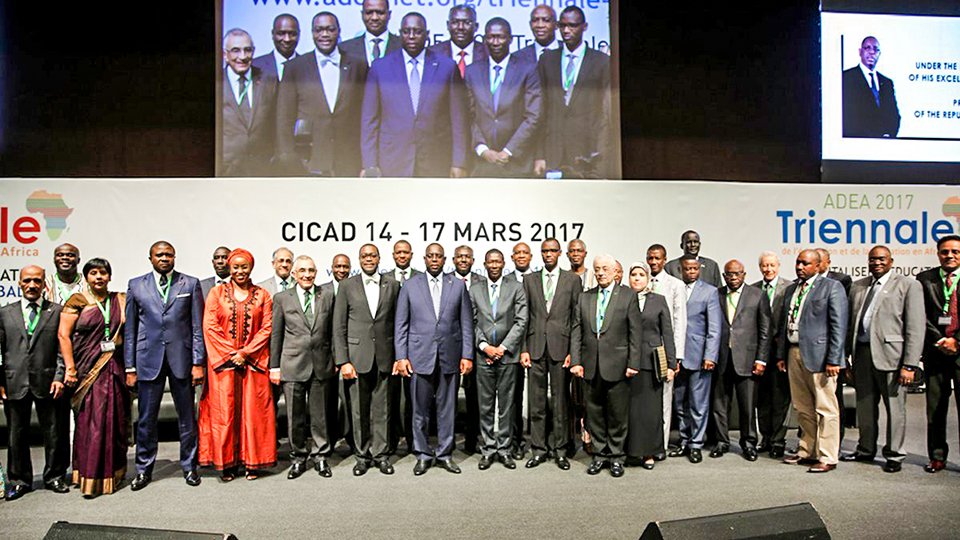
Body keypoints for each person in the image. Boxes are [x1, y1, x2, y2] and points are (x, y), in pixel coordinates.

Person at [124, 241, 206, 490]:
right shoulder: (136, 285)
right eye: (159, 255)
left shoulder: (189, 283)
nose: (164, 258)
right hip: (148, 360)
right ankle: (143, 469)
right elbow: (130, 330)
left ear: (174, 257)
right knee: (146, 419)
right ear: (150, 258)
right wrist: (130, 366)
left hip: (182, 360)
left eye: (169, 254)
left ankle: (189, 466)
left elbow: (197, 327)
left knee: (187, 418)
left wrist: (198, 362)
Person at [394, 243, 474, 475]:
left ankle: (445, 454)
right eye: (431, 256)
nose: (435, 260)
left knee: (447, 410)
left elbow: (466, 324)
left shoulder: (457, 285)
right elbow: (401, 324)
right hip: (419, 357)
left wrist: (467, 355)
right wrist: (401, 357)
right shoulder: (410, 286)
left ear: (445, 259)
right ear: (425, 259)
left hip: (450, 356)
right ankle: (422, 454)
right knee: (419, 411)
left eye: (439, 256)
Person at [842, 245, 923, 473]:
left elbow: (915, 328)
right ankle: (865, 449)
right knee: (865, 408)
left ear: (891, 261)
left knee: (895, 410)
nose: (876, 263)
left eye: (881, 259)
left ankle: (894, 454)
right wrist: (846, 357)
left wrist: (910, 365)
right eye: (872, 259)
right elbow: (850, 325)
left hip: (893, 358)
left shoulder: (908, 285)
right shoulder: (858, 286)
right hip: (862, 355)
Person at [198, 249, 276, 481]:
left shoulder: (262, 295)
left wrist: (246, 352)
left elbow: (267, 327)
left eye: (244, 267)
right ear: (229, 268)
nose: (240, 271)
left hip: (253, 364)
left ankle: (253, 462)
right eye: (236, 267)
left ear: (251, 268)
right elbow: (210, 326)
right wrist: (232, 354)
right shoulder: (216, 293)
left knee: (255, 415)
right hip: (224, 364)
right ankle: (228, 463)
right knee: (225, 413)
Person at [360, 12, 468, 178]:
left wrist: (459, 162)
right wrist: (369, 164)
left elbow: (458, 119)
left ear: (427, 35)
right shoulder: (380, 67)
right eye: (406, 31)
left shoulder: (447, 67)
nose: (411, 36)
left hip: (436, 160)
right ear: (400, 33)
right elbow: (369, 120)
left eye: (417, 32)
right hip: (392, 161)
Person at [57, 258, 129, 497]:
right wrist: (70, 368)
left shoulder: (120, 300)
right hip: (87, 370)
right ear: (86, 277)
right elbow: (63, 335)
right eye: (94, 273)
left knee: (115, 421)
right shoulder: (77, 301)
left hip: (114, 368)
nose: (99, 277)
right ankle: (88, 475)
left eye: (103, 273)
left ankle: (113, 474)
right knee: (91, 423)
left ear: (110, 276)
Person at [776, 249, 847, 473]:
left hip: (821, 356)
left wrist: (834, 359)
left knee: (825, 407)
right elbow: (784, 323)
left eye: (805, 263)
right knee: (802, 407)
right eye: (798, 262)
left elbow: (838, 326)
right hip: (794, 353)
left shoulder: (832, 287)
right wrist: (781, 355)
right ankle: (807, 450)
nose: (800, 267)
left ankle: (828, 456)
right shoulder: (791, 289)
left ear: (818, 266)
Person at [1, 266, 69, 500]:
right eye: (27, 280)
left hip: (48, 381)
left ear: (44, 284)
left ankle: (55, 476)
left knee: (54, 432)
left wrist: (59, 377)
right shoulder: (5, 313)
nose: (32, 285)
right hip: (14, 380)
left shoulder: (57, 311)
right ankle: (19, 480)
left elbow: (62, 349)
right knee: (16, 434)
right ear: (19, 283)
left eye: (37, 281)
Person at [570, 254, 641, 477]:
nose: (600, 273)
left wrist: (634, 362)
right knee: (595, 413)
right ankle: (600, 454)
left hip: (619, 366)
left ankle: (616, 456)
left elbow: (635, 332)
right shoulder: (585, 297)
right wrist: (576, 361)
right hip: (590, 366)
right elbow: (576, 331)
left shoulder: (628, 296)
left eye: (605, 269)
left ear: (615, 272)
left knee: (618, 414)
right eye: (597, 269)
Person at [333, 244, 400, 476]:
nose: (369, 259)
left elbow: (398, 324)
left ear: (379, 258)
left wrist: (398, 357)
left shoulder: (393, 285)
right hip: (356, 358)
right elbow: (339, 326)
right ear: (359, 260)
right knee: (358, 411)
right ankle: (361, 456)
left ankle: (381, 455)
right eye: (364, 256)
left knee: (383, 410)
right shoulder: (346, 285)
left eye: (372, 256)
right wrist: (343, 361)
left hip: (385, 357)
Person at [270, 255, 336, 479]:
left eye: (311, 271)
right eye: (303, 271)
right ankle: (298, 457)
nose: (307, 275)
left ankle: (320, 456)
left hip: (321, 364)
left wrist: (336, 360)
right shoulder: (282, 298)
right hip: (292, 364)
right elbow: (276, 335)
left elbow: (333, 331)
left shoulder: (327, 295)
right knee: (295, 417)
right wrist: (274, 366)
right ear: (294, 274)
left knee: (320, 416)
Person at [277, 12, 365, 177]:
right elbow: (284, 118)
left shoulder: (358, 65)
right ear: (312, 33)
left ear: (338, 31)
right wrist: (288, 159)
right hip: (308, 162)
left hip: (348, 161)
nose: (324, 34)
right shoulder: (295, 67)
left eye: (330, 29)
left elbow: (364, 115)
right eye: (319, 30)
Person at [522, 238, 580, 469]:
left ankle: (560, 450)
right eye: (545, 251)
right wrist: (524, 349)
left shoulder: (572, 280)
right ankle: (538, 449)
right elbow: (524, 317)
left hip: (561, 349)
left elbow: (576, 319)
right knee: (536, 403)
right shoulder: (529, 280)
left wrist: (573, 352)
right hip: (535, 347)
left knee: (560, 403)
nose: (548, 255)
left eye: (553, 251)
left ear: (560, 253)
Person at [535, 6, 611, 179]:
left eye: (572, 25)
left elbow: (605, 114)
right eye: (562, 26)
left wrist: (602, 154)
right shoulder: (547, 59)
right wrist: (539, 154)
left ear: (584, 27)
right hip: (553, 150)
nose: (566, 30)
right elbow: (541, 110)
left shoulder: (601, 61)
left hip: (587, 151)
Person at [469, 249, 528, 470]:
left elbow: (521, 321)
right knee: (485, 407)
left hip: (508, 356)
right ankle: (488, 449)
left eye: (497, 262)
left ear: (503, 263)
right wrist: (486, 347)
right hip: (483, 356)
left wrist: (502, 348)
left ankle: (504, 450)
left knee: (506, 407)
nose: (494, 265)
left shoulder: (516, 287)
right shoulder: (474, 289)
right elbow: (471, 321)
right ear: (484, 264)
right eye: (490, 262)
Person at [464, 17, 542, 179]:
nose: (495, 42)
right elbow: (468, 115)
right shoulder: (472, 71)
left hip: (518, 162)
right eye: (491, 37)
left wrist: (508, 151)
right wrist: (483, 150)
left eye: (500, 37)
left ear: (510, 39)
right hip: (482, 163)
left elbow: (533, 116)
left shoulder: (527, 69)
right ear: (484, 39)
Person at [710, 259, 770, 461]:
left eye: (737, 274)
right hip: (721, 358)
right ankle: (721, 441)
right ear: (724, 276)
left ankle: (749, 443)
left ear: (744, 274)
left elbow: (765, 330)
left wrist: (761, 359)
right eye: (729, 274)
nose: (733, 277)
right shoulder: (716, 294)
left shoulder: (757, 295)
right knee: (719, 404)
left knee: (747, 406)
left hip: (748, 359)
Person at [669, 255, 721, 464]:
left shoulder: (709, 291)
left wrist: (710, 356)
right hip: (678, 357)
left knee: (698, 403)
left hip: (699, 356)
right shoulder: (675, 288)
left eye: (694, 269)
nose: (691, 272)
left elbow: (714, 328)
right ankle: (684, 440)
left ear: (699, 269)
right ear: (680, 270)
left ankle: (696, 444)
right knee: (680, 403)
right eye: (687, 269)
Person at [624, 262, 676, 470]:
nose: (637, 278)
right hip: (627, 363)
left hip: (651, 363)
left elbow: (667, 333)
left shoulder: (659, 300)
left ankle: (649, 453)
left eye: (641, 275)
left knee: (650, 411)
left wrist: (671, 364)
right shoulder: (623, 298)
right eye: (633, 274)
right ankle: (631, 451)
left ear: (648, 278)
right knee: (631, 411)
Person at [916, 235, 960, 473]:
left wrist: (957, 341)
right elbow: (919, 315)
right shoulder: (925, 279)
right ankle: (937, 457)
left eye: (955, 252)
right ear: (938, 254)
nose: (949, 256)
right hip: (935, 353)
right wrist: (941, 340)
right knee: (935, 409)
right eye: (945, 252)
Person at [646, 244, 686, 455]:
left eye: (657, 258)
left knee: (664, 398)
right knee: (646, 399)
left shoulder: (675, 285)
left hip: (664, 349)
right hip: (644, 350)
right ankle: (646, 442)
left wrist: (675, 357)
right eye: (650, 258)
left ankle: (660, 445)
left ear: (665, 260)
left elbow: (679, 322)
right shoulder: (641, 282)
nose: (653, 262)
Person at [221, 28, 278, 177]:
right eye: (236, 50)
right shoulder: (216, 82)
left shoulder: (269, 80)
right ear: (225, 55)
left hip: (262, 167)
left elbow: (277, 121)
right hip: (225, 168)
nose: (242, 57)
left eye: (247, 50)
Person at [752, 251, 792, 458]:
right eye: (764, 266)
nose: (768, 269)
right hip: (758, 352)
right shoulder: (753, 289)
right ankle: (765, 438)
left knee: (779, 399)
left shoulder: (789, 288)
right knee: (762, 399)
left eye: (771, 265)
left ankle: (778, 441)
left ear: (778, 266)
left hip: (779, 351)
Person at [816, 247, 852, 444]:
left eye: (819, 260)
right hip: (810, 352)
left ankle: (835, 441)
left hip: (831, 352)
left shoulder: (840, 281)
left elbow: (841, 321)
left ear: (827, 262)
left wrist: (838, 355)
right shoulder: (800, 284)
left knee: (832, 399)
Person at [452, 245, 483, 454]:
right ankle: (448, 440)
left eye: (467, 257)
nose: (463, 260)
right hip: (450, 346)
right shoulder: (446, 281)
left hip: (477, 347)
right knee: (448, 396)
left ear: (473, 260)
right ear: (454, 260)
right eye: (460, 257)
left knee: (474, 397)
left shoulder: (482, 282)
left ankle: (472, 440)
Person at [842, 36, 900, 138]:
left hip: (883, 143)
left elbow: (894, 116)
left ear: (879, 54)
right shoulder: (846, 77)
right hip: (857, 142)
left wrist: (888, 136)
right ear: (860, 52)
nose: (872, 52)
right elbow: (847, 115)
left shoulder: (887, 83)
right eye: (867, 48)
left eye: (876, 49)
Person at [322, 253, 353, 450]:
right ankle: (330, 439)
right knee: (328, 401)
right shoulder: (322, 290)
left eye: (345, 267)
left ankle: (352, 439)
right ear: (332, 268)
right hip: (326, 355)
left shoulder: (354, 287)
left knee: (351, 400)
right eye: (338, 266)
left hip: (350, 352)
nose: (341, 270)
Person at [429, 5, 488, 79]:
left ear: (476, 26)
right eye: (455, 22)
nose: (460, 27)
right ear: (448, 25)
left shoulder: (487, 53)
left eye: (467, 22)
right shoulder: (432, 54)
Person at [340, 0, 401, 67]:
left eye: (380, 13)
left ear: (389, 14)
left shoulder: (402, 46)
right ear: (362, 14)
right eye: (369, 13)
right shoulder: (344, 49)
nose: (374, 18)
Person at [252, 14, 300, 82]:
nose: (287, 39)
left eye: (292, 34)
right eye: (281, 33)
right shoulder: (255, 66)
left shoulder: (308, 67)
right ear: (272, 34)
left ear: (299, 34)